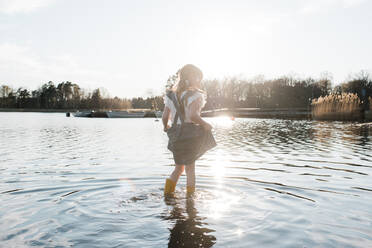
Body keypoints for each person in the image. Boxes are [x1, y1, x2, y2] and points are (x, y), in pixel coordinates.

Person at [162, 64, 215, 196]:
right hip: (189, 136)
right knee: (190, 169)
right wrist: (205, 124)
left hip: (175, 136)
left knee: (178, 169)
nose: (200, 81)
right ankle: (190, 200)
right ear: (193, 77)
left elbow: (164, 117)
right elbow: (192, 116)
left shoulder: (171, 95)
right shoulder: (196, 95)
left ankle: (167, 196)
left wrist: (165, 127)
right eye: (199, 78)